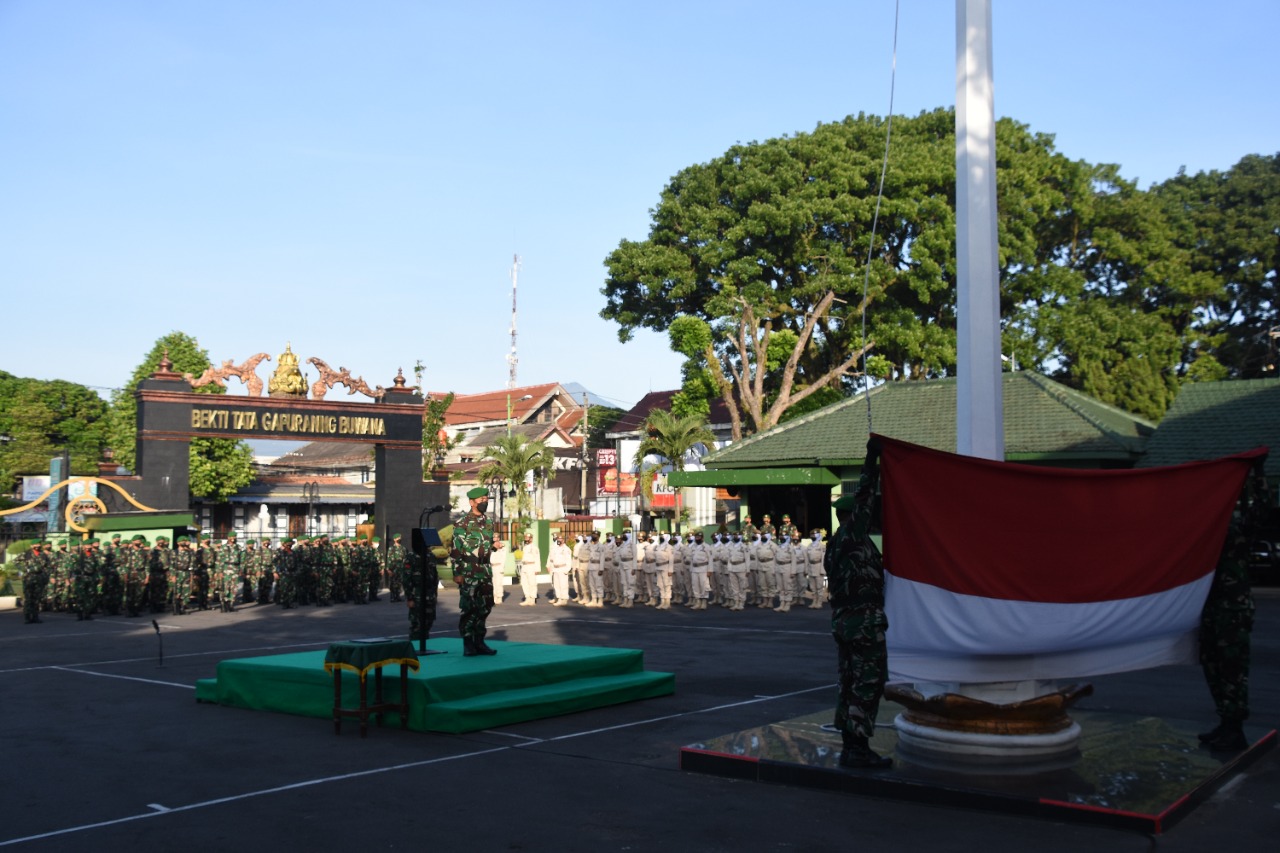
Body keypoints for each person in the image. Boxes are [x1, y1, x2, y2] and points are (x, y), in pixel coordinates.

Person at [827, 437, 891, 769]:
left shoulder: (837, 544)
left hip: (845, 621)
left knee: (850, 681)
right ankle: (858, 747)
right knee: (868, 681)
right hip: (862, 622)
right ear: (853, 515)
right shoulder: (853, 536)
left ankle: (851, 743)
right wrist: (872, 457)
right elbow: (866, 492)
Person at [1198, 459, 1267, 752]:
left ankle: (1235, 727)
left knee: (1232, 668)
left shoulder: (1237, 528)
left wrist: (1257, 474)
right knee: (1212, 666)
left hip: (1233, 609)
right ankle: (1226, 723)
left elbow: (1262, 509)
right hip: (1211, 608)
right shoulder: (1201, 531)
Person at [450, 486, 498, 655]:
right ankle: (468, 643)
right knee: (469, 608)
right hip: (469, 571)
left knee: (485, 606)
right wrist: (457, 573)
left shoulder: (489, 522)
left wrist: (494, 545)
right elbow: (456, 550)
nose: (485, 502)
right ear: (472, 502)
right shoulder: (462, 523)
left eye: (486, 500)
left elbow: (487, 544)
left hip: (485, 570)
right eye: (481, 500)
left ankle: (480, 641)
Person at [548, 533, 572, 606]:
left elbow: (568, 560)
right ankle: (559, 598)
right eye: (558, 538)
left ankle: (564, 599)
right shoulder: (556, 549)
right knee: (556, 585)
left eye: (560, 539)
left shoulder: (566, 549)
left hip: (562, 568)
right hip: (556, 569)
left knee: (563, 585)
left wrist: (567, 569)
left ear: (564, 540)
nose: (558, 540)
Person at [518, 531, 541, 606]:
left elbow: (537, 558)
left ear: (531, 539)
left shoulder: (534, 548)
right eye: (525, 538)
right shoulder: (525, 547)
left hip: (531, 566)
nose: (526, 539)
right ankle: (527, 598)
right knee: (524, 583)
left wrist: (537, 569)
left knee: (532, 583)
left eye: (527, 538)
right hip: (524, 566)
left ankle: (532, 599)